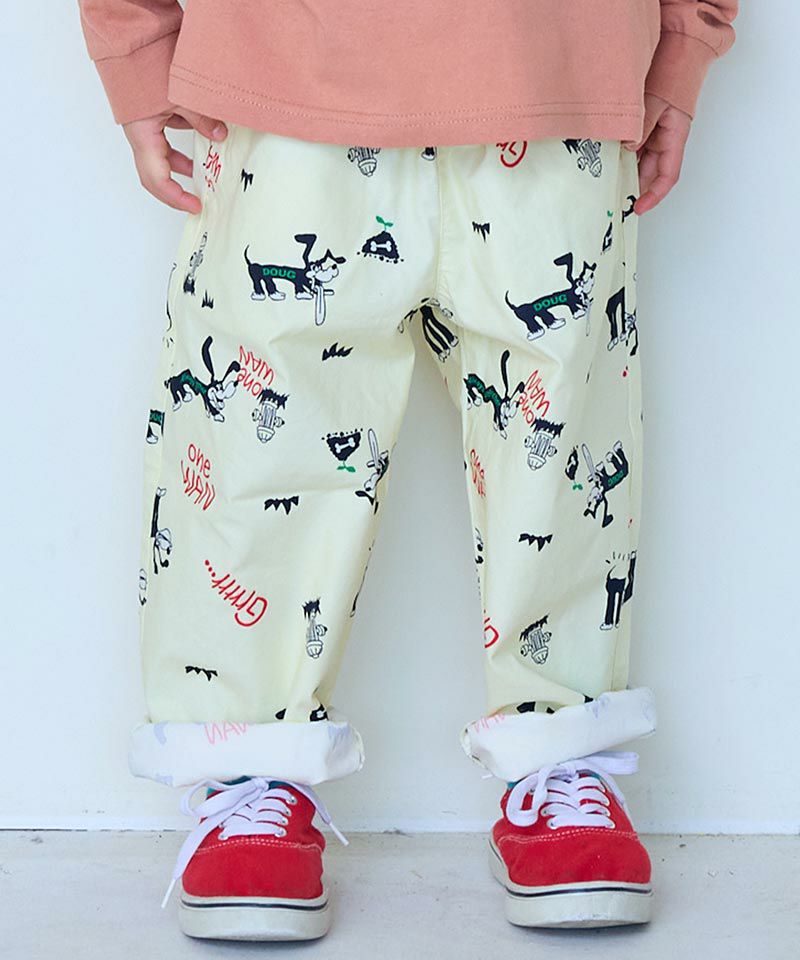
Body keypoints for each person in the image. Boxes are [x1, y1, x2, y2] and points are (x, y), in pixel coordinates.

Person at [78, 0, 738, 941]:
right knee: (262, 445)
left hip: (561, 68)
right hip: (283, 70)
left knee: (562, 447)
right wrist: (136, 44)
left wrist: (682, 44)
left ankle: (560, 749)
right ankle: (246, 764)